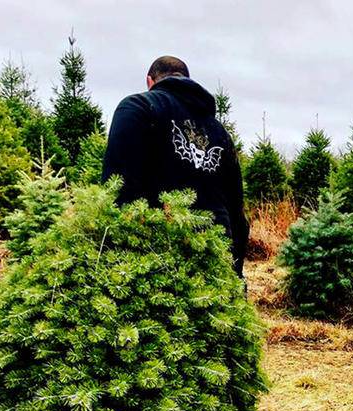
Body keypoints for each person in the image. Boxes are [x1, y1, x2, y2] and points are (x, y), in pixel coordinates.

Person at [102, 56, 249, 277]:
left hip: (158, 264)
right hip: (215, 266)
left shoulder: (137, 108)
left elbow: (117, 191)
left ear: (150, 81)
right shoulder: (220, 133)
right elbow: (236, 211)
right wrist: (235, 277)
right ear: (188, 81)